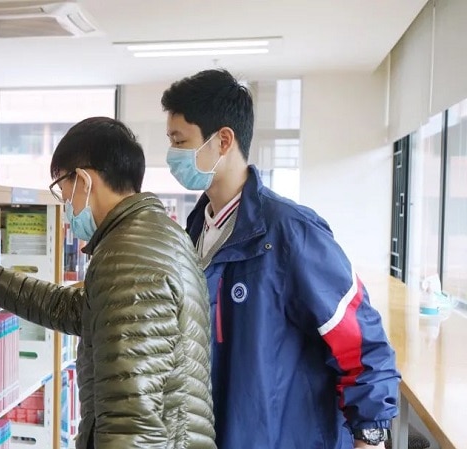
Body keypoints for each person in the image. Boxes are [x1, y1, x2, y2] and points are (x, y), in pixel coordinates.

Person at [0, 117, 216, 449]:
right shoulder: (156, 236)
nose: (64, 202)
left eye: (61, 188)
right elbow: (72, 309)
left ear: (83, 180)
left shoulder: (128, 257)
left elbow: (131, 418)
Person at [161, 68, 401, 449]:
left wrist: (369, 434)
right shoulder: (195, 230)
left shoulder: (289, 232)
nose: (172, 155)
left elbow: (362, 342)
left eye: (180, 141)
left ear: (223, 140)